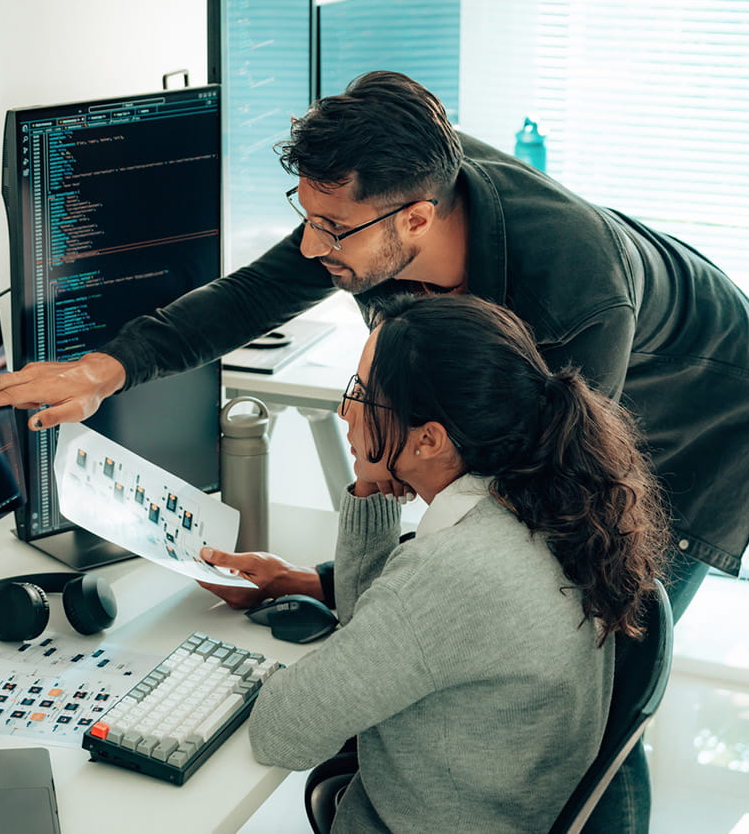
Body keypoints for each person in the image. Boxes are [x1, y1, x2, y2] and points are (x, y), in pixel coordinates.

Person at [0, 71, 749, 827]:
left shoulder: (574, 302)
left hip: (708, 401)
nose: (312, 246)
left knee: (594, 644)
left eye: (331, 229)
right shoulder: (383, 188)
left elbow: (514, 532)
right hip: (610, 362)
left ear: (420, 219)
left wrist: (346, 593)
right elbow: (253, 293)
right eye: (307, 217)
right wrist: (104, 370)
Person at [229, 293, 669, 833]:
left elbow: (282, 731)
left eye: (363, 394)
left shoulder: (453, 573)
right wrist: (373, 486)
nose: (345, 409)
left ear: (430, 438)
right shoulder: (546, 506)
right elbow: (374, 624)